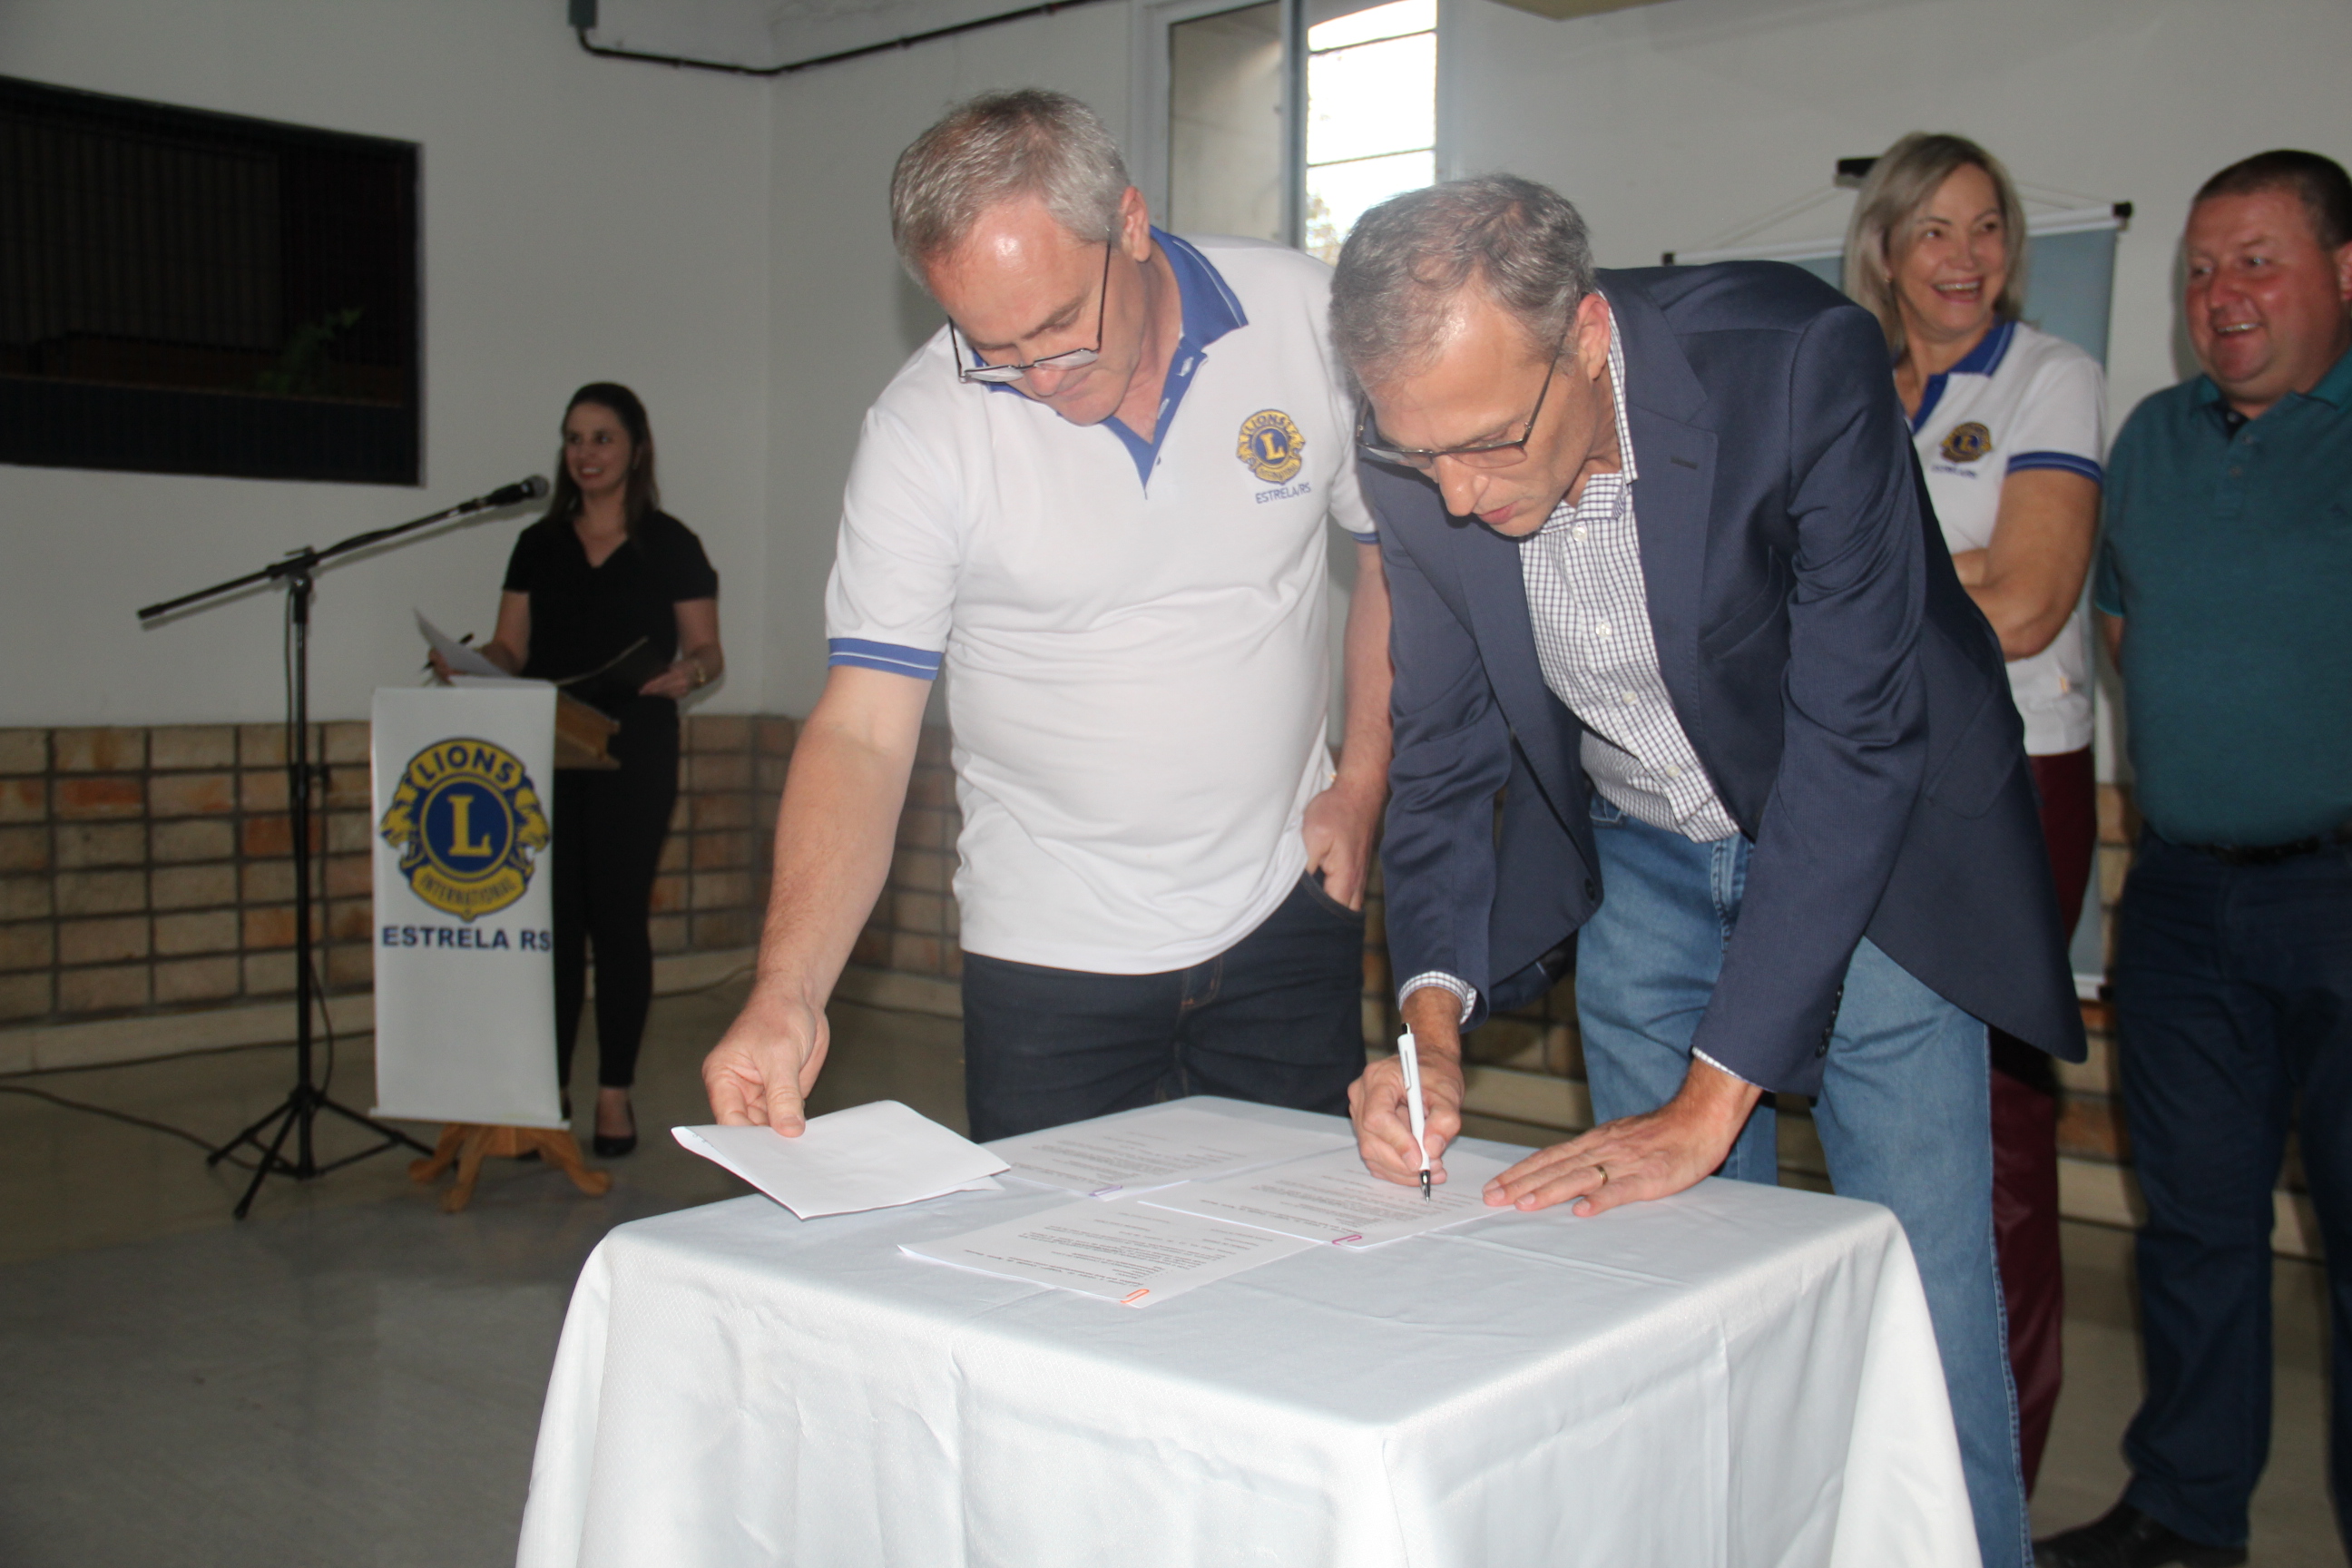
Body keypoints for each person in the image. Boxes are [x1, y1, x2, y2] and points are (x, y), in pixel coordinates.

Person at [1329, 175, 2083, 1568]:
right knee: (1682, 1300)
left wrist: (1710, 1099)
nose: (1458, 496)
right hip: (1644, 855)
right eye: (1422, 458)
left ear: (1587, 338)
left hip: (1869, 853)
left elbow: (1856, 741)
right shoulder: (1423, 440)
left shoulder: (1796, 367)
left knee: (1915, 1298)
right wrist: (1428, 1026)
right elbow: (1441, 753)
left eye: (1489, 445)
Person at [701, 91, 1392, 1143]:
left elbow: (1392, 557)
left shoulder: (1303, 315)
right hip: (1049, 953)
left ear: (1129, 223)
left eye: (1061, 326)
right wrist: (786, 990)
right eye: (996, 348)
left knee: (1296, 1241)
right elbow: (862, 731)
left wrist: (1365, 778)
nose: (1039, 379)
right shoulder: (924, 431)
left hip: (1285, 909)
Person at [2034, 150, 2352, 1568]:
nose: (2222, 294)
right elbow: (2123, 634)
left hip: (2342, 890)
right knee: (2196, 1230)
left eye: (2258, 261)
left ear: (2344, 271)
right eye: (2203, 268)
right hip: (2182, 898)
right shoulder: (2153, 439)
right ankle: (2184, 1513)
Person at [1845, 132, 2108, 1494]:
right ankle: (1887, 1440)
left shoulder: (2049, 376)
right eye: (1935, 230)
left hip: (2011, 779)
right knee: (1880, 1107)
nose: (1966, 255)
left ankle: (1988, 1471)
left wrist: (1865, 594)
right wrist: (1945, 568)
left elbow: (2031, 603)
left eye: (1988, 226)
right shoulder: (1845, 383)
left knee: (1996, 1120)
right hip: (1862, 774)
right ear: (1885, 249)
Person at [438, 382, 722, 1157]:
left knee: (617, 920)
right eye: (574, 439)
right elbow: (511, 648)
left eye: (602, 438)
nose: (585, 453)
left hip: (635, 745)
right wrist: (469, 662)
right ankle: (547, 1091)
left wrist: (690, 674)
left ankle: (613, 1093)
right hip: (549, 745)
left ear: (635, 448)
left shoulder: (670, 542)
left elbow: (708, 651)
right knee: (554, 924)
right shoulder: (538, 543)